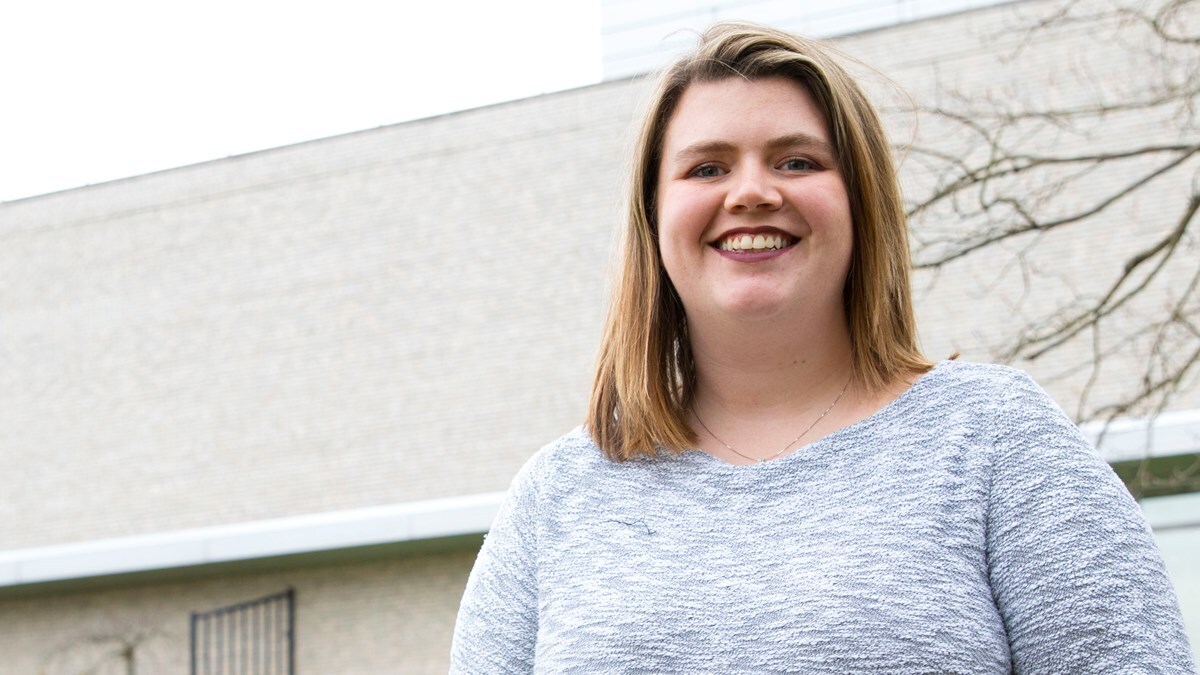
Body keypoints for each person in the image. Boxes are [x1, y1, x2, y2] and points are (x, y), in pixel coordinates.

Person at [450, 22, 1195, 673]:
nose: (750, 191)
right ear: (654, 218)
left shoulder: (993, 438)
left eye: (796, 161)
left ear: (859, 203)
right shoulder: (560, 496)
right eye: (707, 167)